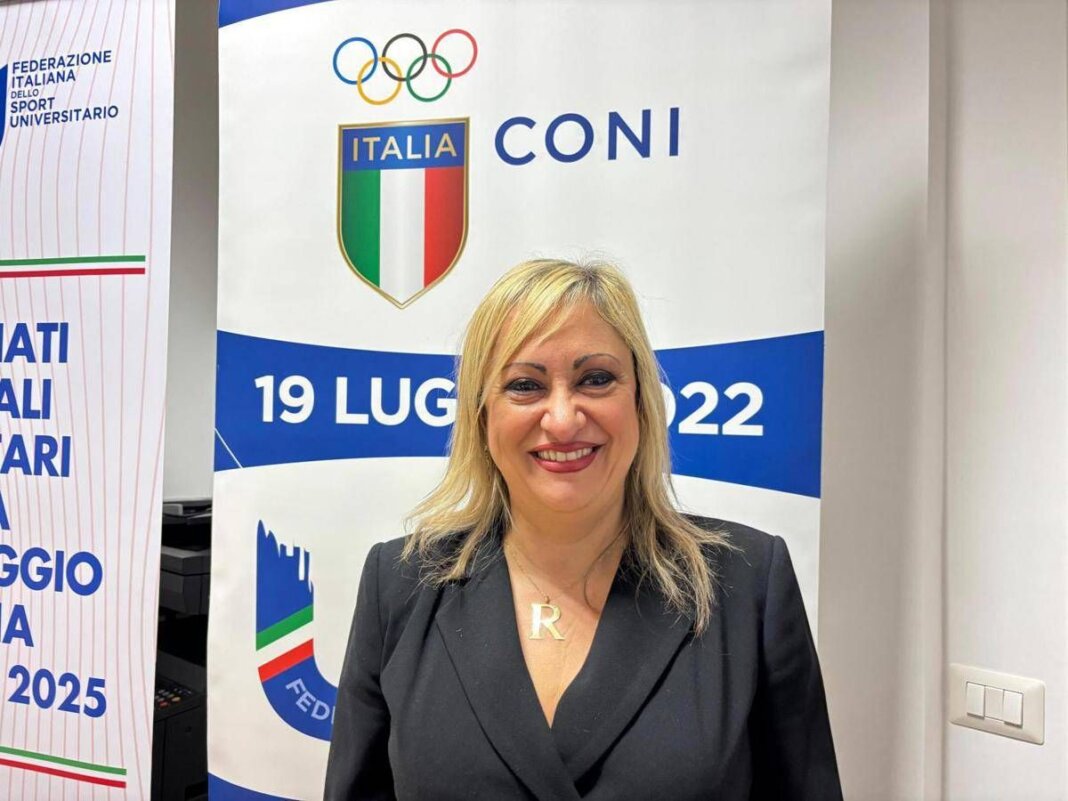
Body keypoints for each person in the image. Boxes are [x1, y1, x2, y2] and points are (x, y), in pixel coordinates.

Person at [324, 259, 842, 800]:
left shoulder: (747, 582)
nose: (563, 419)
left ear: (641, 401)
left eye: (596, 379)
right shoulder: (400, 584)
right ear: (481, 416)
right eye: (525, 385)